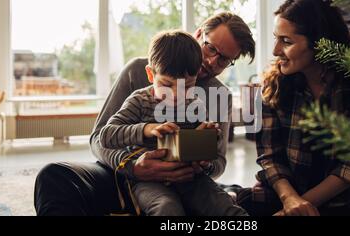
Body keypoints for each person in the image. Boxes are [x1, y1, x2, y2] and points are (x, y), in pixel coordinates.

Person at [34, 12, 255, 216]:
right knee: (53, 176)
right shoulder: (138, 71)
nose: (211, 61)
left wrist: (202, 161)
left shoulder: (219, 96)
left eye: (224, 59)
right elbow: (99, 139)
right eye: (211, 48)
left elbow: (218, 163)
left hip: (187, 183)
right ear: (198, 34)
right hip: (123, 176)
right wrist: (134, 168)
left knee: (220, 204)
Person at [236, 0, 350, 216]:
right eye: (276, 38)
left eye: (286, 41)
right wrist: (289, 199)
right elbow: (270, 156)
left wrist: (296, 208)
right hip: (279, 195)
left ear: (320, 43)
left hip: (339, 206)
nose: (275, 50)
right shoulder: (273, 85)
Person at [99, 30, 247, 216]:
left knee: (225, 206)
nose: (177, 95)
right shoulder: (139, 101)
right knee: (167, 208)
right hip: (148, 182)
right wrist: (147, 129)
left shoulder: (195, 104)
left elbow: (212, 153)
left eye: (187, 86)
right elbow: (106, 136)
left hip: (190, 178)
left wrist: (207, 137)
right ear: (151, 75)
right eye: (167, 85)